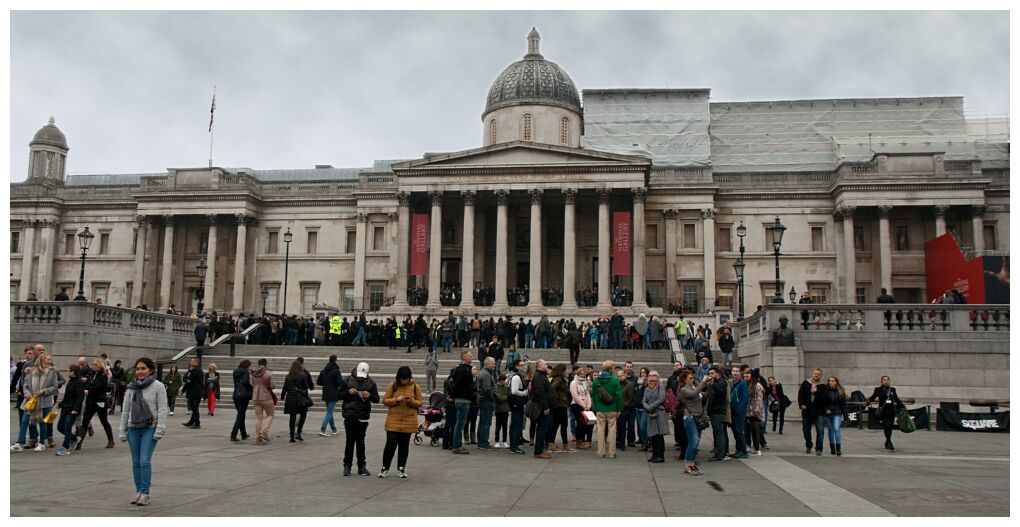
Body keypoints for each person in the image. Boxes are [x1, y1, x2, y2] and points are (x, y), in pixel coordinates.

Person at [118, 357, 168, 507]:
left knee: (144, 461)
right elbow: (125, 410)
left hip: (150, 427)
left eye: (143, 369)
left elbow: (163, 408)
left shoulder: (158, 386)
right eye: (138, 369)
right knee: (135, 462)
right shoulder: (131, 387)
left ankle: (145, 492)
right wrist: (122, 430)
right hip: (133, 428)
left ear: (151, 370)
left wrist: (160, 428)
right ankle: (139, 490)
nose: (140, 372)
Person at [379, 366, 423, 478]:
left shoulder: (415, 387)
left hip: (408, 420)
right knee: (390, 444)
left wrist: (411, 401)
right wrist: (396, 400)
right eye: (403, 379)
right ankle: (385, 468)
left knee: (404, 445)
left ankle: (401, 468)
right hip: (393, 420)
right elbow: (385, 401)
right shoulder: (392, 385)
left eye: (406, 379)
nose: (404, 381)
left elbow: (420, 403)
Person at [12, 353, 60, 452]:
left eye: (51, 359)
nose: (50, 361)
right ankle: (19, 443)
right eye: (48, 359)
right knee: (25, 421)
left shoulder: (52, 372)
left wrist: (44, 391)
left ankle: (41, 443)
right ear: (42, 360)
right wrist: (27, 393)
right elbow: (25, 385)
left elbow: (55, 387)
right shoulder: (31, 371)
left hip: (45, 402)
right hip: (30, 401)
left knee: (43, 422)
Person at [341, 362, 379, 476]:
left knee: (361, 442)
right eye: (359, 376)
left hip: (363, 416)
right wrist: (348, 392)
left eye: (362, 376)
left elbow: (376, 399)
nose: (360, 378)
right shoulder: (347, 380)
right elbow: (339, 395)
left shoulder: (371, 382)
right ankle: (347, 466)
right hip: (350, 415)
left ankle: (361, 466)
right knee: (350, 441)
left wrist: (370, 396)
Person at [78, 358, 115, 450]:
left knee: (104, 421)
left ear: (100, 365)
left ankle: (111, 440)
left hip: (100, 402)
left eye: (96, 364)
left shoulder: (103, 375)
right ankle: (79, 442)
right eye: (93, 364)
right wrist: (86, 385)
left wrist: (88, 388)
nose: (94, 365)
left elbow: (97, 386)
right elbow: (87, 384)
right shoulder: (91, 374)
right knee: (85, 421)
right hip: (90, 401)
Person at [678, 369, 710, 475]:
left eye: (693, 378)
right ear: (684, 379)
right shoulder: (683, 389)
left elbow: (704, 395)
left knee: (695, 443)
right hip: (690, 418)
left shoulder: (693, 387)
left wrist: (710, 385)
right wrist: (703, 382)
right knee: (693, 441)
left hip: (698, 417)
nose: (692, 380)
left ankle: (691, 465)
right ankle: (687, 466)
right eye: (690, 378)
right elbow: (693, 395)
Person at [591, 360, 623, 459]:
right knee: (612, 431)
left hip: (600, 409)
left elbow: (594, 395)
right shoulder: (615, 380)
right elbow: (618, 396)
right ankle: (612, 453)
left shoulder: (596, 381)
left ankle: (600, 452)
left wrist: (596, 407)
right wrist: (619, 409)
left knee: (600, 430)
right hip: (612, 408)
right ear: (610, 369)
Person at [55, 364, 86, 455]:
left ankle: (65, 447)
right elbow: (67, 396)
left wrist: (76, 409)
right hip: (65, 408)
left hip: (72, 410)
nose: (67, 372)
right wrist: (60, 404)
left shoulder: (79, 382)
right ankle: (75, 439)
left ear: (73, 372)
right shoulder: (70, 381)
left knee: (67, 428)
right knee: (60, 427)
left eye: (69, 370)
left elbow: (80, 397)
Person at [868, 375, 905, 451]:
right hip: (883, 411)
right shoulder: (878, 389)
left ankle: (887, 441)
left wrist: (902, 406)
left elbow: (896, 399)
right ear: (881, 381)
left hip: (891, 411)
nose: (886, 381)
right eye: (884, 380)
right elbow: (873, 397)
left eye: (887, 380)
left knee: (890, 427)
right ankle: (890, 442)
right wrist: (868, 401)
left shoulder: (892, 390)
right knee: (887, 426)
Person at [449, 350, 474, 455]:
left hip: (463, 399)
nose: (471, 357)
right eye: (469, 356)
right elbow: (458, 384)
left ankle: (457, 444)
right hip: (462, 399)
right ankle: (457, 445)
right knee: (460, 424)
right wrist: (452, 395)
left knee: (460, 423)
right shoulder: (463, 370)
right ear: (464, 357)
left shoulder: (465, 369)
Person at [529, 359, 555, 459]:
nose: (546, 365)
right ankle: (538, 451)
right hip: (542, 407)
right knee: (541, 429)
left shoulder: (542, 375)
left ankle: (539, 450)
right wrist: (546, 407)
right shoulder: (538, 376)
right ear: (540, 366)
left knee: (543, 429)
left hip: (544, 406)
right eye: (545, 364)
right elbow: (540, 393)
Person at [642, 371, 669, 463]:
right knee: (653, 434)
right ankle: (654, 454)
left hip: (659, 413)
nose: (652, 377)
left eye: (654, 376)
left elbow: (661, 399)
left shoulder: (660, 386)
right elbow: (644, 400)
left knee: (659, 435)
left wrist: (650, 407)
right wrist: (647, 408)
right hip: (650, 413)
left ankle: (660, 455)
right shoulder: (647, 388)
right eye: (650, 375)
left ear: (658, 377)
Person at [282, 360, 312, 442]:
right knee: (303, 415)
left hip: (291, 398)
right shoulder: (303, 375)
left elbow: (285, 388)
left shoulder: (288, 376)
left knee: (292, 417)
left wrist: (282, 396)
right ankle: (298, 433)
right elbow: (306, 386)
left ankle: (292, 436)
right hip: (300, 398)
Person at [817, 376, 847, 456]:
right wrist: (826, 409)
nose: (831, 382)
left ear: (836, 382)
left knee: (836, 429)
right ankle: (832, 448)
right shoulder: (825, 391)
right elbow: (823, 402)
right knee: (831, 430)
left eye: (833, 381)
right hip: (828, 413)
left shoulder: (841, 391)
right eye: (830, 381)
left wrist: (845, 416)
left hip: (837, 412)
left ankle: (838, 448)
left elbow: (843, 404)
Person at [798, 368, 825, 454]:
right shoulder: (805, 383)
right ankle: (809, 444)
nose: (816, 375)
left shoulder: (823, 386)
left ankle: (819, 448)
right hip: (807, 410)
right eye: (815, 373)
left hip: (818, 411)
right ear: (812, 374)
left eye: (818, 374)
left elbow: (824, 398)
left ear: (821, 376)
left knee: (820, 431)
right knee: (806, 430)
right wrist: (801, 404)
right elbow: (800, 395)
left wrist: (816, 392)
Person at [547, 363, 573, 452]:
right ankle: (552, 444)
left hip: (562, 405)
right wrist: (557, 397)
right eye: (565, 370)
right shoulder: (558, 379)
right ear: (562, 371)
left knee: (562, 425)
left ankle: (564, 445)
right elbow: (552, 388)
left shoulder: (561, 379)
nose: (567, 371)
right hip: (559, 406)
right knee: (557, 425)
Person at [317, 355, 344, 437]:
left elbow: (318, 382)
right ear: (335, 360)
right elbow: (339, 382)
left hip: (325, 393)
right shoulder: (336, 371)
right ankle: (323, 429)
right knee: (329, 412)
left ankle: (334, 429)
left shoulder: (323, 370)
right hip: (333, 393)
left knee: (330, 412)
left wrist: (326, 383)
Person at [250, 358, 276, 445]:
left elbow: (252, 384)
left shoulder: (253, 373)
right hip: (266, 396)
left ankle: (258, 436)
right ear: (266, 364)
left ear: (258, 364)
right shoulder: (268, 373)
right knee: (270, 415)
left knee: (258, 417)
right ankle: (264, 432)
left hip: (255, 397)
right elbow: (273, 386)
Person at [475, 357, 498, 450]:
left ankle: (481, 442)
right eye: (493, 363)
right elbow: (487, 389)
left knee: (482, 422)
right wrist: (493, 399)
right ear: (487, 364)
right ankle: (484, 442)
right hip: (486, 401)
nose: (494, 365)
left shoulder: (484, 372)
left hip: (483, 400)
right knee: (486, 423)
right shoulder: (486, 374)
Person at [569, 365, 592, 450]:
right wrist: (583, 405)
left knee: (585, 423)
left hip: (586, 406)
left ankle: (582, 439)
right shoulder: (573, 382)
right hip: (576, 405)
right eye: (581, 374)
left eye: (584, 374)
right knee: (580, 423)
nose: (583, 375)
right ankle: (579, 441)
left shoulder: (585, 382)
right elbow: (575, 396)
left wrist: (588, 405)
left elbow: (588, 394)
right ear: (577, 374)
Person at [507, 359, 528, 454]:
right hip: (516, 403)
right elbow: (514, 391)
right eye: (521, 365)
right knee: (517, 424)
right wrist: (524, 393)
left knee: (515, 424)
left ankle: (513, 444)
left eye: (523, 365)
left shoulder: (516, 376)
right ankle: (514, 445)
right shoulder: (516, 377)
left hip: (516, 403)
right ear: (517, 366)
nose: (523, 367)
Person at [230, 360, 253, 442]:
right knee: (240, 415)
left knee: (241, 414)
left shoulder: (235, 371)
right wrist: (252, 388)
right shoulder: (246, 372)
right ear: (247, 366)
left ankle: (243, 434)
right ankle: (233, 434)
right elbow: (245, 382)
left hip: (236, 395)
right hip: (243, 396)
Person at [729, 365, 749, 459]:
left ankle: (743, 451)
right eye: (734, 371)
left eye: (737, 371)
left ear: (740, 373)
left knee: (739, 431)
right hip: (733, 411)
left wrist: (740, 409)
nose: (735, 373)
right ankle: (738, 449)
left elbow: (745, 398)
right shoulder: (733, 383)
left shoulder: (743, 383)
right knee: (735, 431)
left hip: (739, 412)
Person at [744, 370, 765, 455]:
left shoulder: (757, 386)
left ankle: (757, 449)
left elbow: (759, 400)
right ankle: (756, 449)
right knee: (754, 430)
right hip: (752, 411)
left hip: (755, 412)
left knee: (755, 430)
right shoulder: (753, 385)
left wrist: (756, 412)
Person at [181, 357, 205, 429]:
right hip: (198, 392)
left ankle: (197, 423)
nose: (191, 363)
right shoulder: (200, 370)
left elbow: (189, 382)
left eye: (192, 362)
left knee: (194, 408)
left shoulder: (195, 371)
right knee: (195, 407)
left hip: (194, 392)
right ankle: (191, 422)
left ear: (196, 363)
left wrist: (183, 390)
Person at [494, 373, 510, 449]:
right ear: (500, 381)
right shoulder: (497, 387)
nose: (504, 382)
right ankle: (496, 441)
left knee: (505, 426)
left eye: (505, 380)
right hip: (499, 410)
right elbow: (499, 398)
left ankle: (504, 441)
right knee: (498, 426)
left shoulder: (506, 388)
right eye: (503, 381)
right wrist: (507, 396)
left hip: (505, 410)